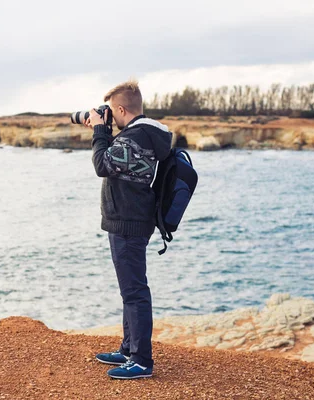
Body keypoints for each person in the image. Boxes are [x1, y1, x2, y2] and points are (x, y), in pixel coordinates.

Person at [84, 80, 172, 379]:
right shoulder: (141, 135)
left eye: (110, 112)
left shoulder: (136, 136)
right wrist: (105, 132)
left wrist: (99, 131)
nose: (107, 117)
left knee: (134, 291)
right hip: (129, 218)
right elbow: (114, 161)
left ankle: (142, 361)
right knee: (129, 290)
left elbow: (102, 164)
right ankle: (128, 349)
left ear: (120, 109)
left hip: (129, 222)